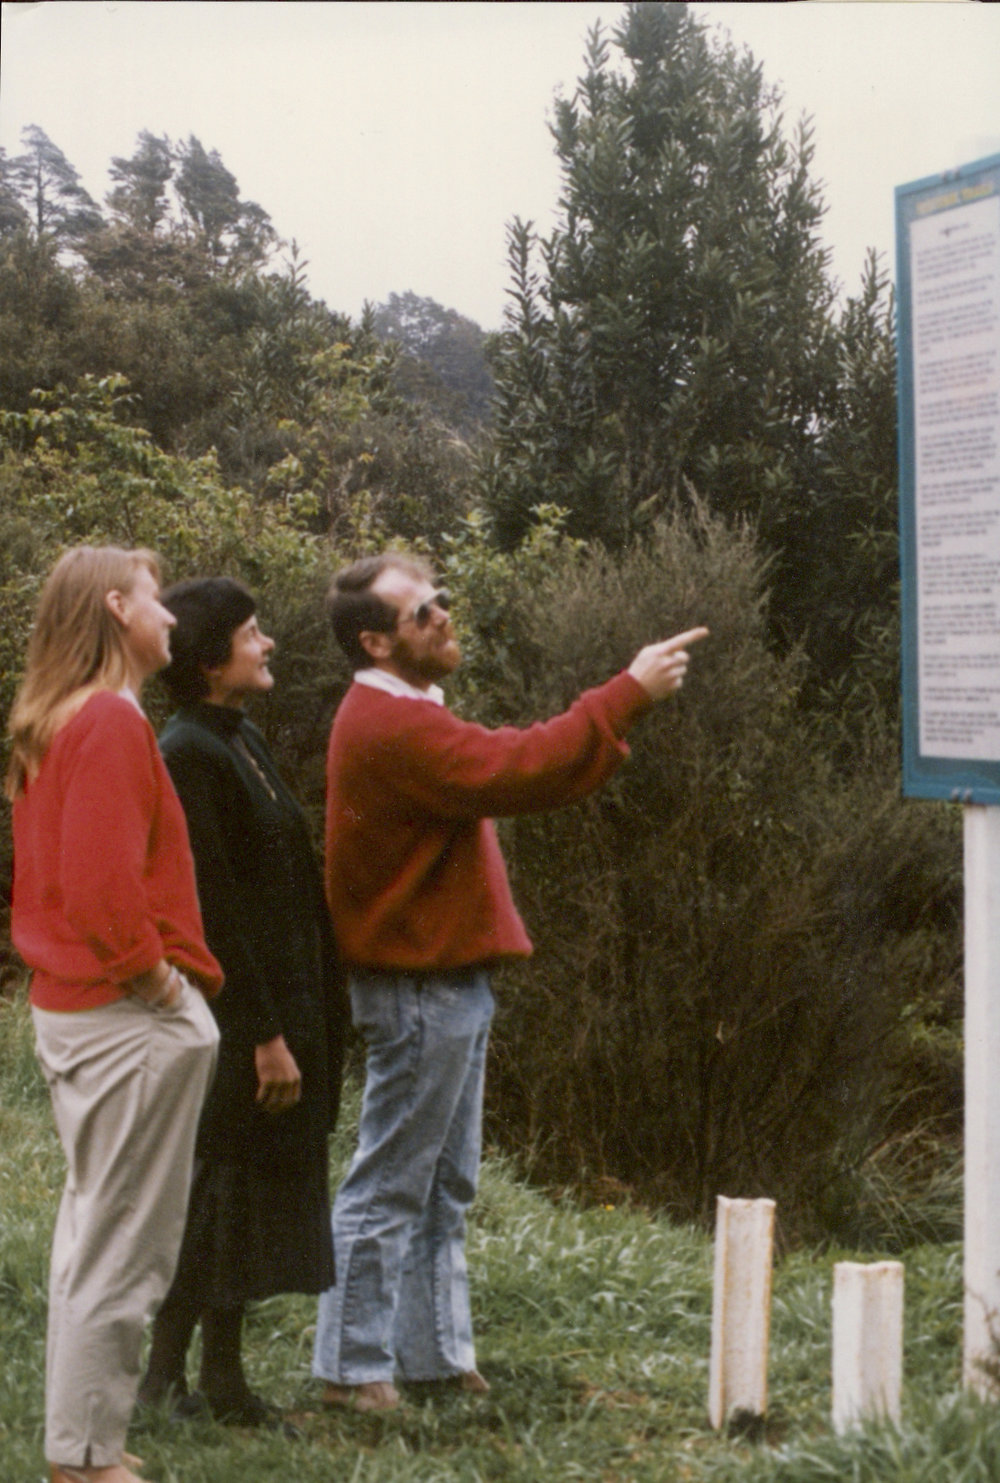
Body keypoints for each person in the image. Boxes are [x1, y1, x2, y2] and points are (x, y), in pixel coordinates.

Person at [312, 550, 708, 1412]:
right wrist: (627, 690)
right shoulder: (392, 723)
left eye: (442, 598)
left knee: (442, 1181)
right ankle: (350, 1368)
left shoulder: (402, 709)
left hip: (445, 984)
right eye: (424, 612)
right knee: (391, 1179)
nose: (446, 614)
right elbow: (521, 765)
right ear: (376, 642)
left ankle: (432, 1356)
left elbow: (517, 767)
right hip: (421, 988)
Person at [7, 546, 222, 1483]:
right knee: (124, 1243)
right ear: (114, 608)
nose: (171, 617)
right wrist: (161, 985)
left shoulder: (62, 720)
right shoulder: (107, 720)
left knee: (95, 1231)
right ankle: (86, 1460)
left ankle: (82, 1439)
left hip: (81, 1013)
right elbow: (99, 893)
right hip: (120, 1016)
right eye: (155, 600)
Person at [136, 577, 348, 1428]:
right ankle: (166, 1378)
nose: (269, 645)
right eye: (254, 635)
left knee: (249, 1195)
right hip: (239, 1023)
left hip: (285, 1010)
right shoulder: (187, 750)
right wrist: (261, 1032)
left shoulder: (238, 737)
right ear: (212, 657)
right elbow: (213, 905)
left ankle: (217, 1379)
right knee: (221, 1192)